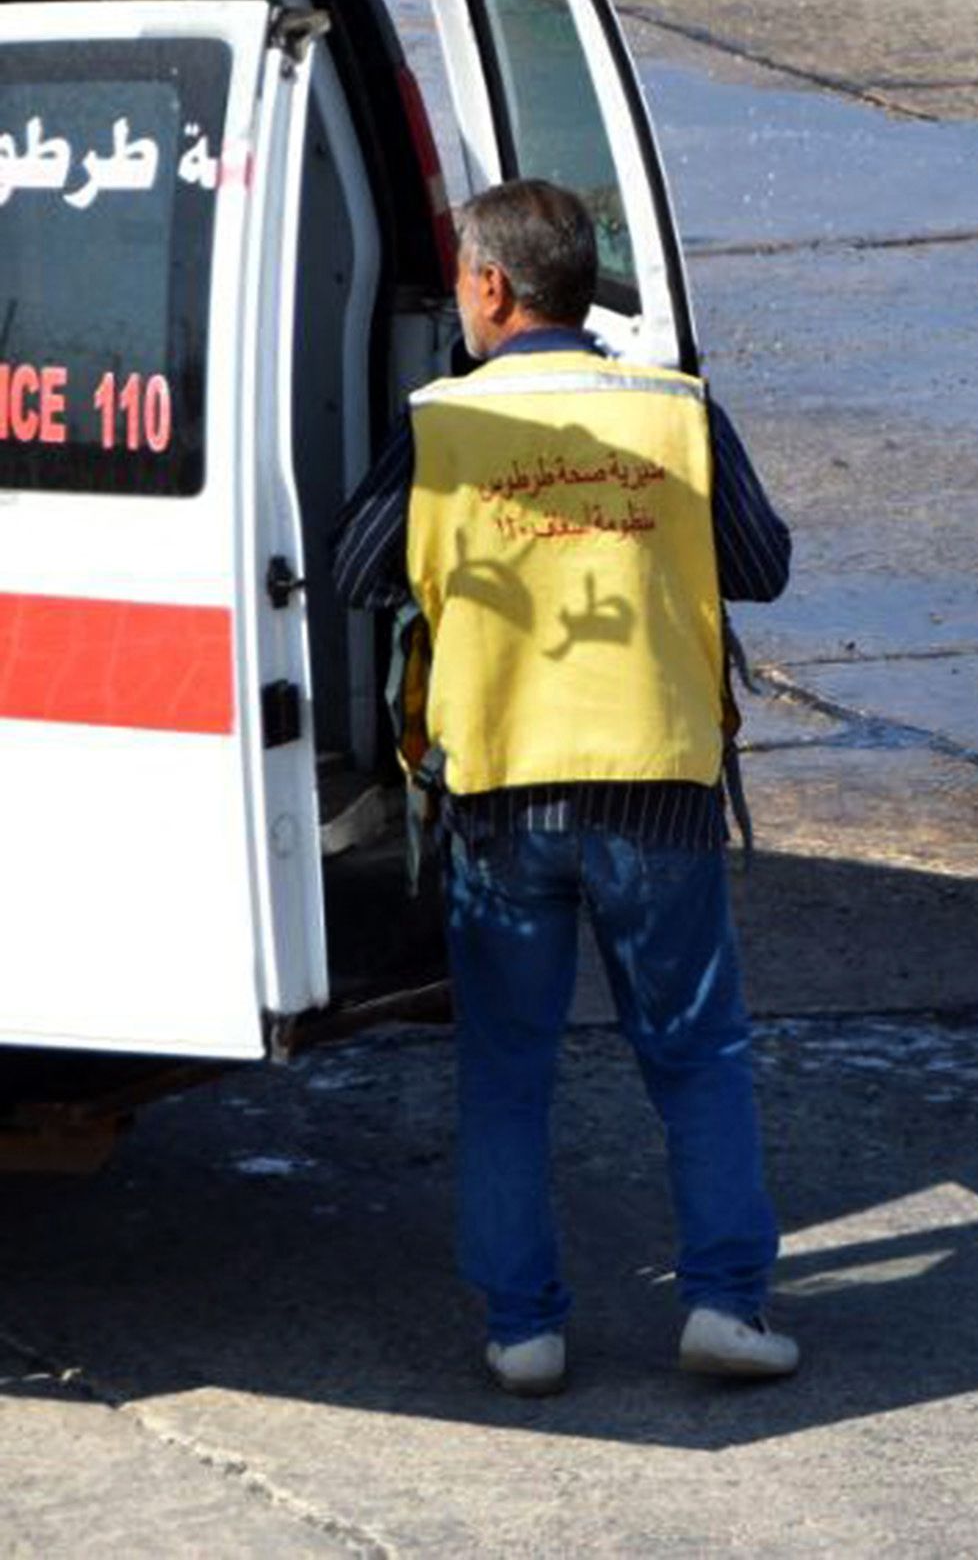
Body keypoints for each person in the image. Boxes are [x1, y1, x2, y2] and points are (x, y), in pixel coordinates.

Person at [332, 180, 796, 1400]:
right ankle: (727, 1307)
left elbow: (350, 569)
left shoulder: (441, 425)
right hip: (660, 787)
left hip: (502, 791)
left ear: (489, 289)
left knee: (506, 1069)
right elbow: (763, 564)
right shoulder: (678, 413)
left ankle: (525, 1328)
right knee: (696, 1055)